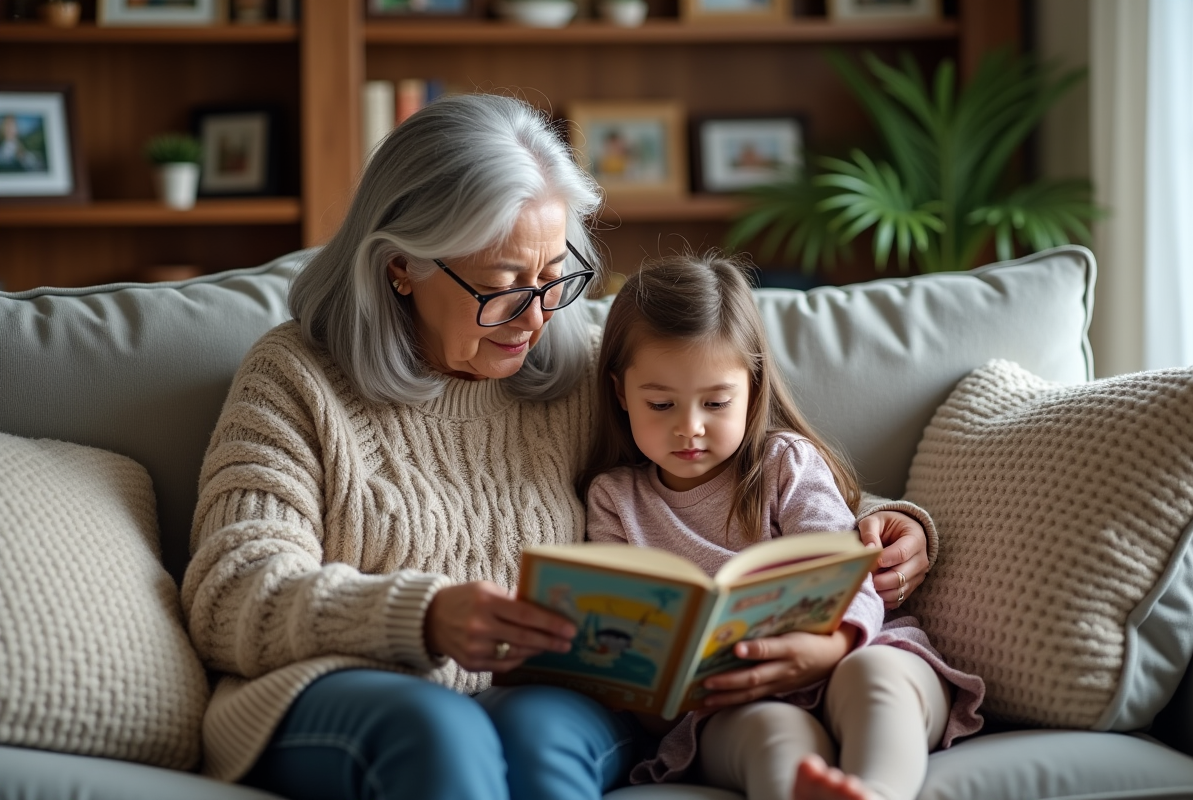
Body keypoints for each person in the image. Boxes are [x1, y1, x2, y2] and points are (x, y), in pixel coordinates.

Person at [180, 93, 938, 800]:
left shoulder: (570, 367)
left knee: (544, 744)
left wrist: (885, 524)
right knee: (442, 732)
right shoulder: (296, 378)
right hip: (345, 681)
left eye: (554, 278)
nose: (535, 317)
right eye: (504, 285)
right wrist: (422, 616)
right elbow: (228, 592)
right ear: (400, 266)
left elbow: (728, 469)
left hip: (545, 693)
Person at [577, 252, 986, 800]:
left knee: (875, 680)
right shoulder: (614, 501)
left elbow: (848, 576)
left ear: (752, 388)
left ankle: (878, 793)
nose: (689, 428)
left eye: (716, 402)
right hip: (732, 702)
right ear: (621, 393)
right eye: (661, 403)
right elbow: (623, 652)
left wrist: (830, 648)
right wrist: (651, 691)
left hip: (852, 655)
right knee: (772, 733)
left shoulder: (784, 464)